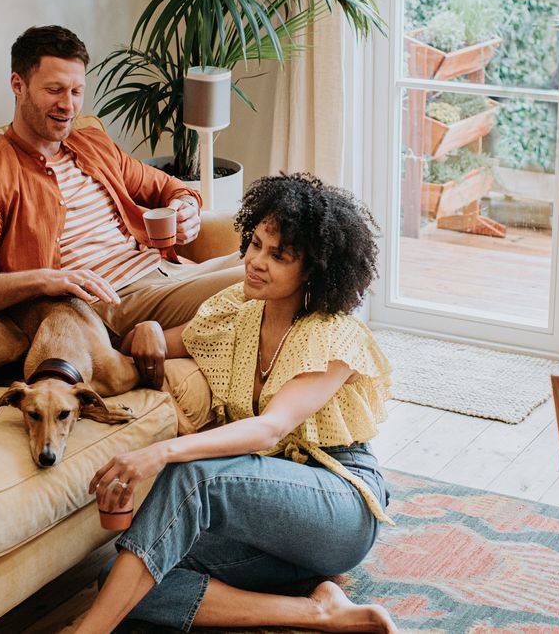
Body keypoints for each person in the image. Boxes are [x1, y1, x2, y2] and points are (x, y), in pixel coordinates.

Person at [76, 174, 398, 633]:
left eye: (277, 255)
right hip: (265, 518)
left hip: (337, 505)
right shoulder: (236, 312)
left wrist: (160, 452)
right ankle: (317, 611)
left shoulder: (333, 334)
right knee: (127, 576)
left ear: (312, 270)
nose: (254, 261)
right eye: (255, 244)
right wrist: (144, 331)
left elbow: (270, 429)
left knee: (191, 476)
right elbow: (157, 344)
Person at [0, 25, 243, 347]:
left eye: (76, 91)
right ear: (18, 85)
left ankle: (162, 343)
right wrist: (46, 280)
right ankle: (145, 343)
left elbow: (171, 187)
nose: (68, 105)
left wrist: (187, 209)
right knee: (263, 281)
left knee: (277, 261)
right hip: (111, 302)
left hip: (168, 271)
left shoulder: (92, 143)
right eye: (54, 90)